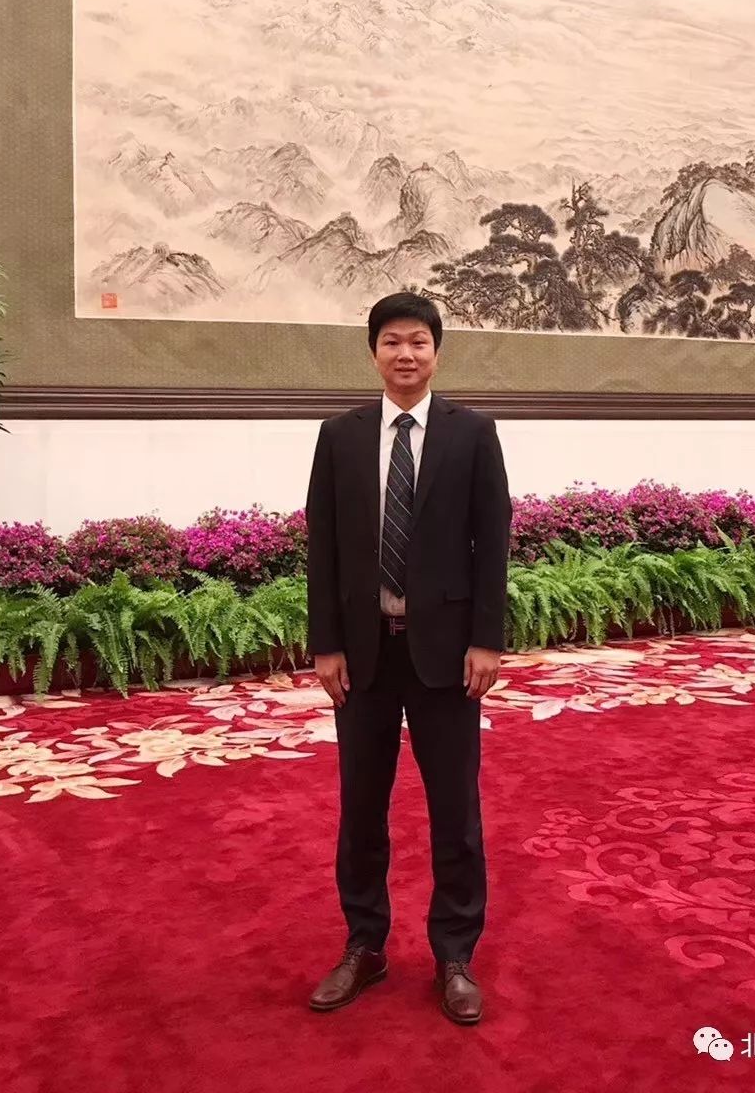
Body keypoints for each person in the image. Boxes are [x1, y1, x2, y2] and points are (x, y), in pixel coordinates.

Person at [304, 290, 512, 1026]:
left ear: (436, 352)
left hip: (447, 656)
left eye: (418, 341)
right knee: (362, 808)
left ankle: (454, 955)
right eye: (392, 341)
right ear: (373, 352)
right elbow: (323, 545)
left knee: (455, 810)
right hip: (362, 657)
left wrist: (487, 639)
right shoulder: (340, 436)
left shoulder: (472, 433)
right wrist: (326, 643)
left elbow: (492, 542)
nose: (405, 354)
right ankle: (365, 946)